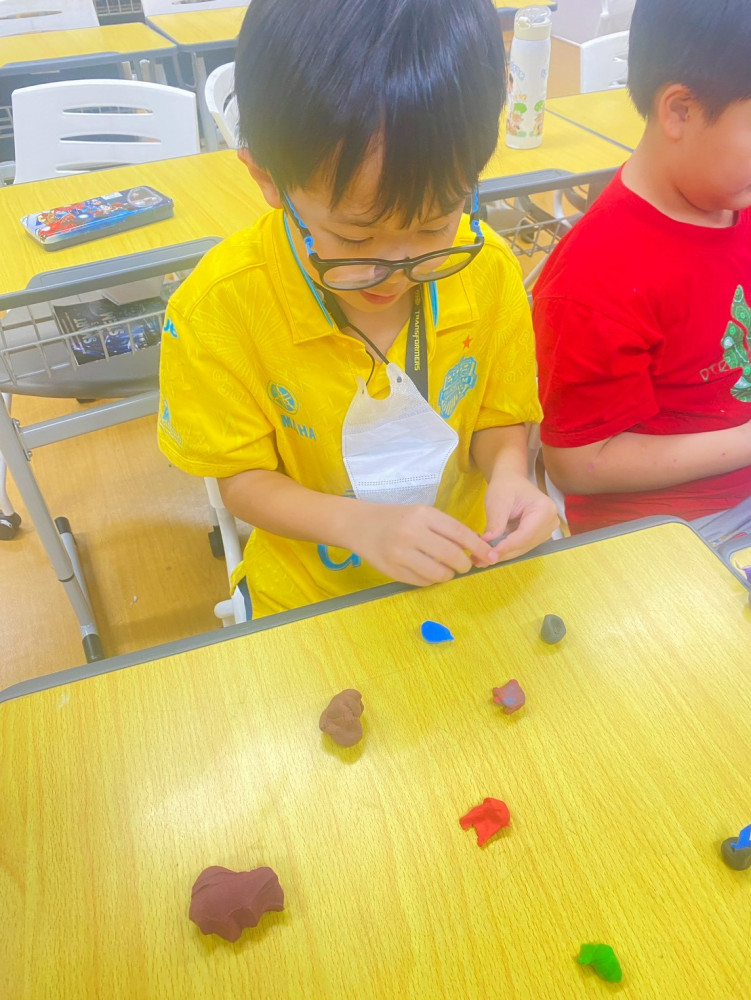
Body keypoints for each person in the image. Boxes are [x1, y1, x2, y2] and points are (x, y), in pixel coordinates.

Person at [158, 0, 557, 620]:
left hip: (462, 575)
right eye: (354, 238)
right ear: (267, 179)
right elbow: (242, 480)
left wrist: (511, 474)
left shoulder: (487, 270)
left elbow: (498, 417)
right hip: (308, 602)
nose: (395, 271)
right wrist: (358, 525)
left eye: (434, 226)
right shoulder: (220, 309)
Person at [533, 0, 751, 541]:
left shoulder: (734, 195)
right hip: (676, 523)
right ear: (680, 111)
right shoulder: (594, 278)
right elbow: (578, 463)